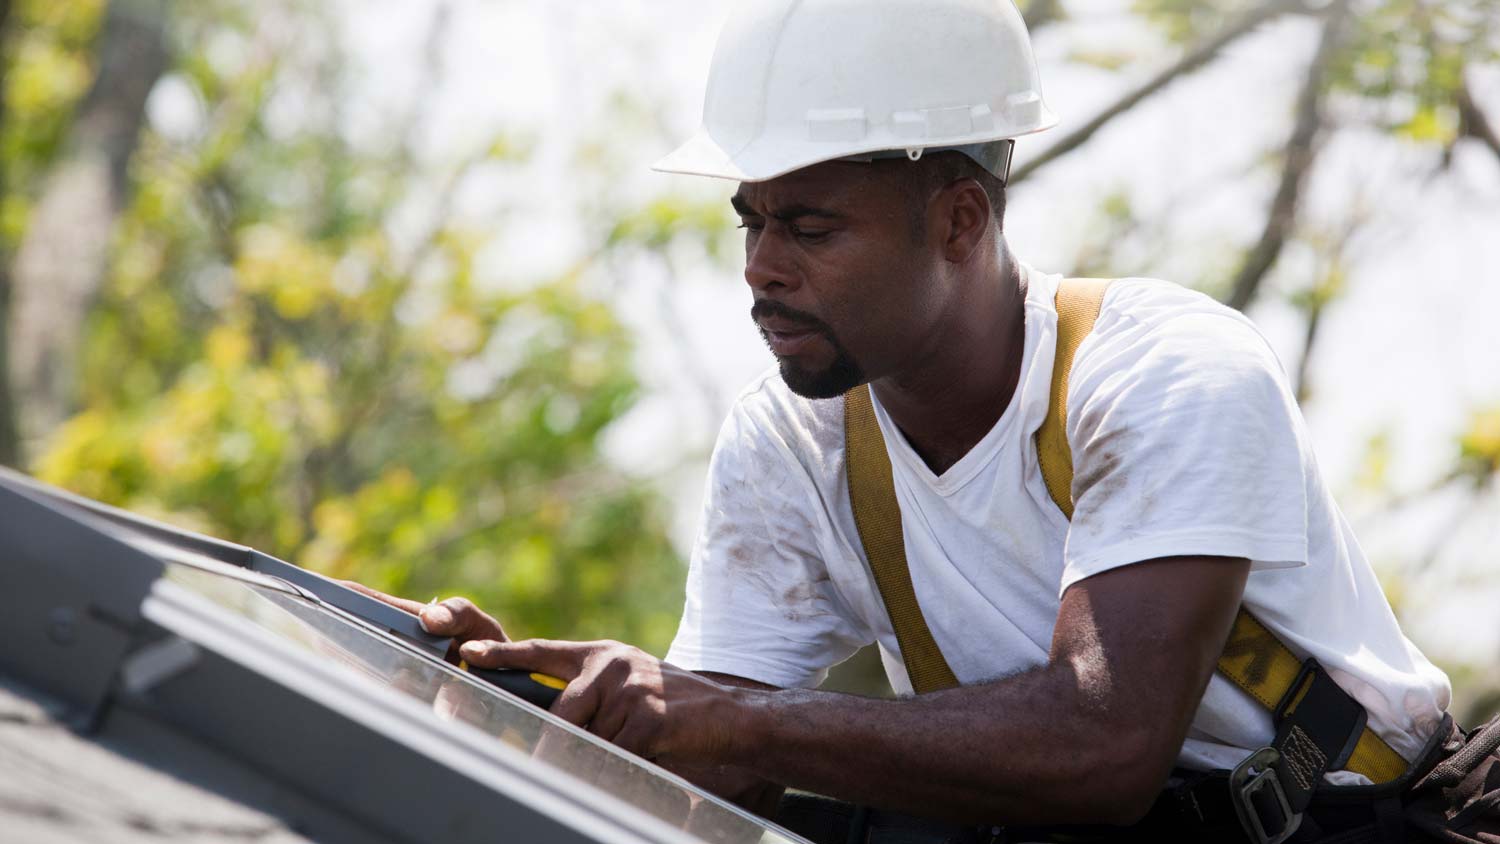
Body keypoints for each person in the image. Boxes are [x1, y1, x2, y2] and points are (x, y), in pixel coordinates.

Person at [368, 2, 1464, 841]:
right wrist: (531, 703)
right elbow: (723, 762)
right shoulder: (792, 443)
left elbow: (1106, 745)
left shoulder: (1162, 373)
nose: (759, 267)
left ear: (960, 218)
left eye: (808, 225)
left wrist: (720, 718)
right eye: (749, 219)